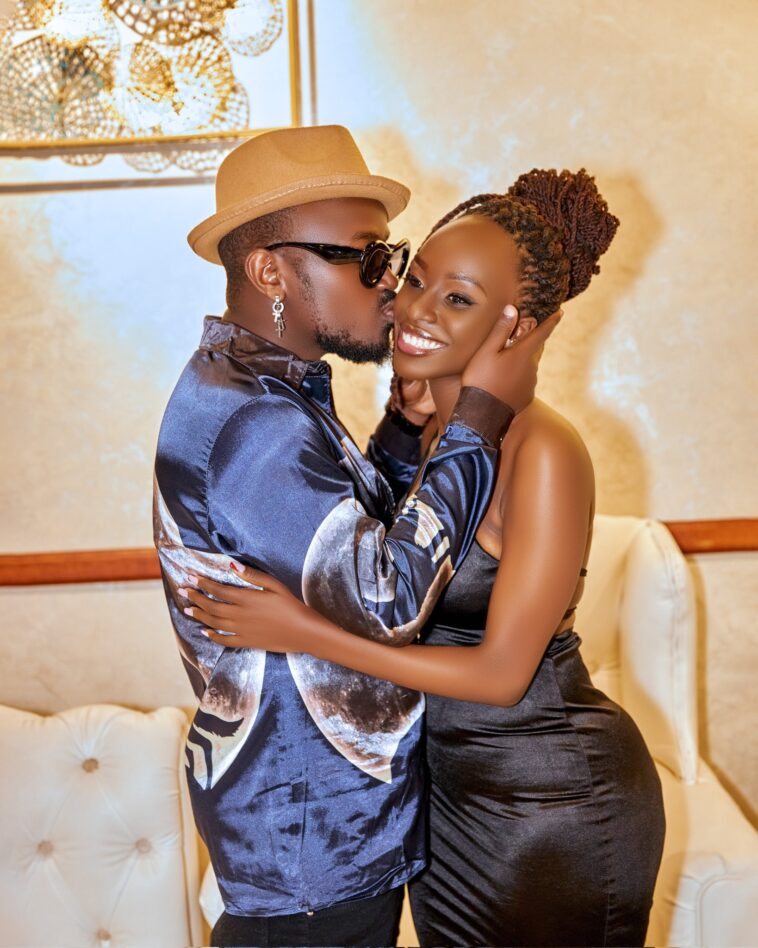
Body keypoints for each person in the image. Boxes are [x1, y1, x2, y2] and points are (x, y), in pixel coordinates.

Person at [183, 168, 666, 948]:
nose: (414, 309)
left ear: (519, 330)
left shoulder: (542, 450)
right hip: (442, 805)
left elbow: (501, 674)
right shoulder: (441, 443)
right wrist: (407, 432)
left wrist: (305, 633)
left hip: (546, 803)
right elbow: (379, 566)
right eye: (416, 280)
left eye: (459, 299)